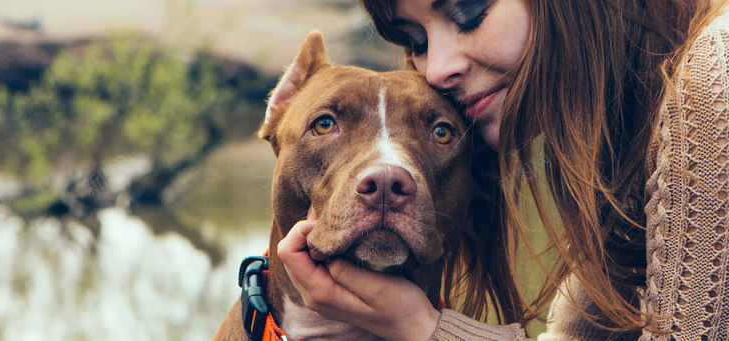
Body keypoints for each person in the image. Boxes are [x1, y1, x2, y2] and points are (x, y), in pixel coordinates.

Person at [277, 0, 729, 339]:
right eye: (417, 42)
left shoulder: (715, 79)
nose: (438, 69)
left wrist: (421, 325)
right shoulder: (619, 135)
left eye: (469, 12)